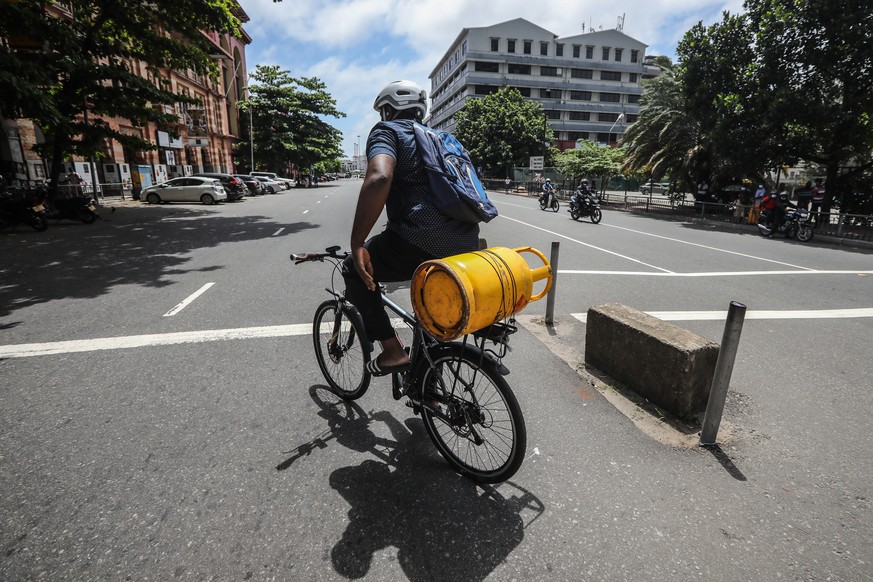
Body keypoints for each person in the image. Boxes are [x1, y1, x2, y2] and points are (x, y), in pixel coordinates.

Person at [342, 80, 480, 376]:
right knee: (428, 308)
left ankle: (392, 352)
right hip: (467, 241)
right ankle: (429, 393)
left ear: (389, 110)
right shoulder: (442, 137)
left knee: (353, 269)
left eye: (383, 111)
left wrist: (358, 242)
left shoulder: (387, 131)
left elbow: (379, 177)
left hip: (418, 239)